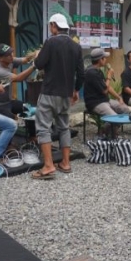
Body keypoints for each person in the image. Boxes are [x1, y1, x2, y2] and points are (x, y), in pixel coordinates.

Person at [32, 13, 85, 180]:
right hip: (65, 95)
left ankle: (48, 166)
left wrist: (36, 56)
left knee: (43, 128)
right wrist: (76, 90)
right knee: (63, 127)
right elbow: (81, 73)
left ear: (54, 25)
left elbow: (39, 64)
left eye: (50, 26)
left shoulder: (50, 42)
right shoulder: (76, 46)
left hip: (49, 92)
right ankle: (66, 163)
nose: (50, 29)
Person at [83, 48, 130, 133]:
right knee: (114, 118)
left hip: (105, 100)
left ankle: (108, 130)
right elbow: (105, 90)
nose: (106, 60)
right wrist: (109, 76)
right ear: (100, 59)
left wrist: (118, 97)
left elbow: (108, 87)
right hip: (95, 103)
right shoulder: (91, 73)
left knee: (125, 110)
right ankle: (106, 132)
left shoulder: (98, 71)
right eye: (104, 58)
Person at [0, 43, 37, 119]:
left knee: (30, 109)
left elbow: (26, 60)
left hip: (8, 102)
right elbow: (18, 78)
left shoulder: (10, 60)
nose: (11, 56)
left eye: (11, 53)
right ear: (0, 58)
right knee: (11, 120)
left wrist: (38, 54)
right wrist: (34, 66)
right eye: (8, 55)